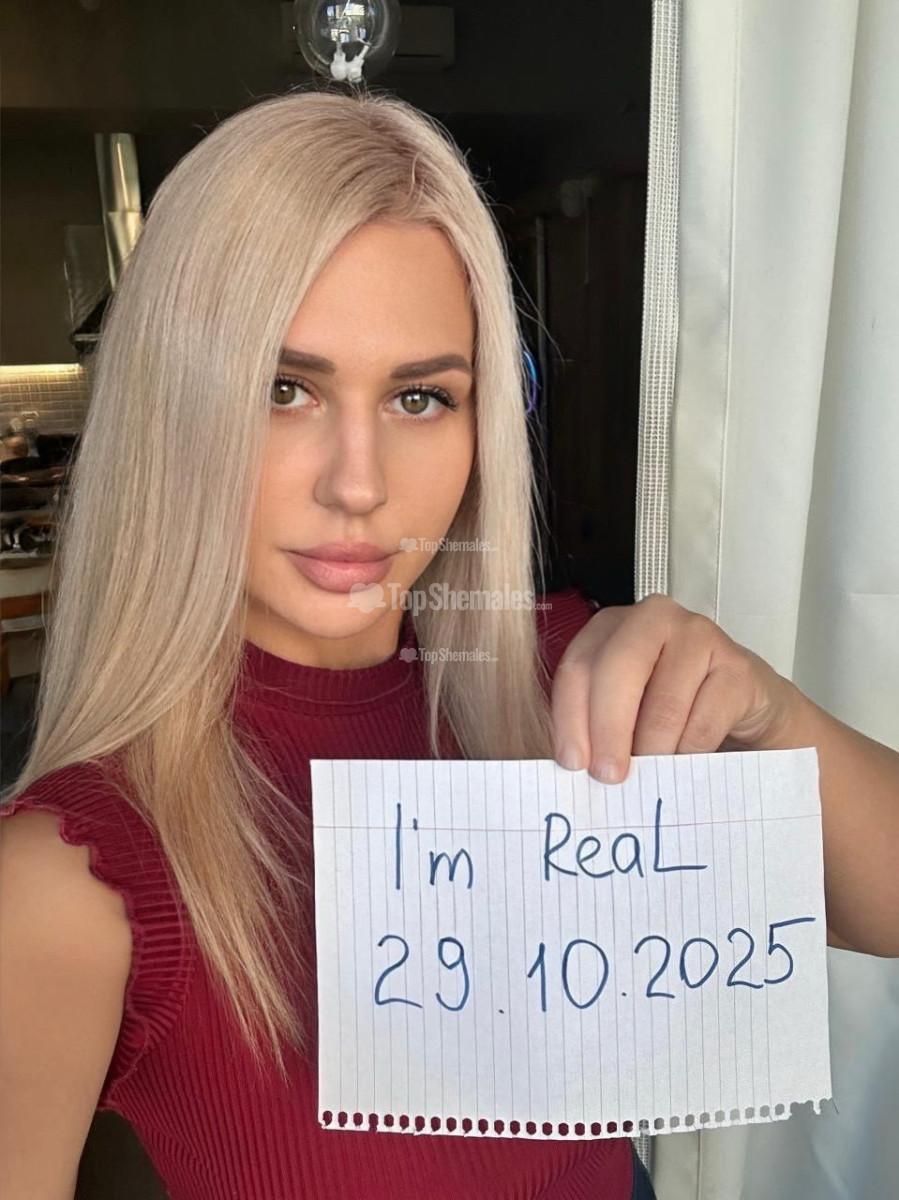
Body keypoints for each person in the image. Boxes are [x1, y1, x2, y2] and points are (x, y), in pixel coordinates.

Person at [0, 89, 896, 1200]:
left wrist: (767, 711)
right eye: (284, 389)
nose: (359, 484)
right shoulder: (74, 874)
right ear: (167, 407)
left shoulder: (572, 688)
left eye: (420, 398)